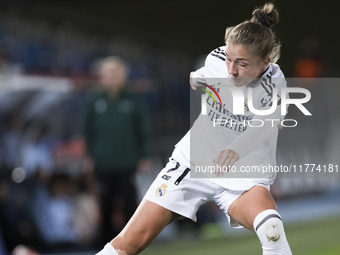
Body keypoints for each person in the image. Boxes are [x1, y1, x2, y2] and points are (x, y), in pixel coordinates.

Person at [96, 3, 292, 255]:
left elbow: (264, 126)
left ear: (265, 61)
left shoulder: (275, 83)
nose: (231, 70)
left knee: (272, 229)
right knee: (129, 244)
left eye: (241, 63)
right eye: (230, 59)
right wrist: (198, 80)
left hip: (242, 173)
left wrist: (235, 148)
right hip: (193, 162)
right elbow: (198, 77)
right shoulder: (217, 60)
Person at [83, 57, 152, 242]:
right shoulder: (95, 101)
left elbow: (143, 130)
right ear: (102, 77)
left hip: (127, 162)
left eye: (116, 73)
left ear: (123, 76)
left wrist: (143, 156)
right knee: (106, 204)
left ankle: (132, 241)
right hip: (103, 163)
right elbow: (86, 131)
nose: (112, 77)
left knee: (130, 204)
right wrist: (89, 156)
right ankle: (106, 243)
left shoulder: (132, 101)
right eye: (108, 73)